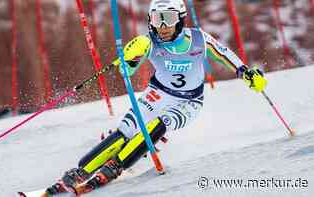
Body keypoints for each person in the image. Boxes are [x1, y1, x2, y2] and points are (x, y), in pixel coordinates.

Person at [46, 0, 267, 195]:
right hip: (158, 93)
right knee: (127, 129)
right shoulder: (148, 42)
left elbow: (225, 55)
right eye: (156, 18)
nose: (162, 26)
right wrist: (129, 60)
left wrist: (246, 72)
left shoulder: (199, 39)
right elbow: (127, 71)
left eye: (168, 19)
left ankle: (116, 166)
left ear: (180, 19)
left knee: (160, 124)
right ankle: (81, 171)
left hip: (189, 101)